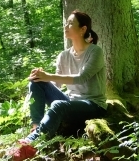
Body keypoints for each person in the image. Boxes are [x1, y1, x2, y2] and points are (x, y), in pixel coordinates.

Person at [23, 10, 107, 142]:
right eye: (66, 23)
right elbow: (57, 84)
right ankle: (36, 125)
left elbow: (81, 78)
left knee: (58, 104)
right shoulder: (63, 55)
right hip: (70, 103)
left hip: (93, 105)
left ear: (83, 29)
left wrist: (48, 76)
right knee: (36, 81)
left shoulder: (95, 51)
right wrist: (42, 77)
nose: (65, 26)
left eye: (70, 23)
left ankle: (31, 142)